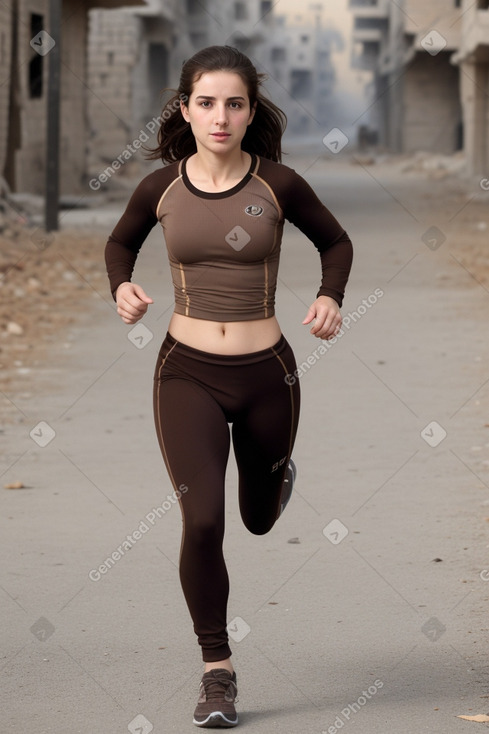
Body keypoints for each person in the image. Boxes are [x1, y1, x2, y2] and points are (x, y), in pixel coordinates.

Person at [105, 45, 353, 728]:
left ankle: (275, 480)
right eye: (206, 102)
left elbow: (335, 242)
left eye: (234, 103)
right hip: (186, 371)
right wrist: (121, 287)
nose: (220, 116)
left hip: (268, 372)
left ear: (250, 112)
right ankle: (218, 672)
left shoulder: (279, 183)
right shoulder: (161, 189)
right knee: (203, 518)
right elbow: (119, 244)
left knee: (256, 517)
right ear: (184, 109)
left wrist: (331, 298)